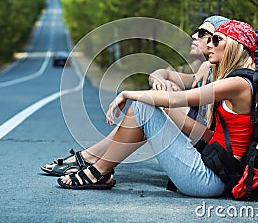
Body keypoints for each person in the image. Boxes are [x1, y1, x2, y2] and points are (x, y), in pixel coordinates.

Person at [57, 20, 257, 197]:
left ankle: (100, 170)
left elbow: (178, 98)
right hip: (212, 170)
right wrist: (161, 97)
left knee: (143, 106)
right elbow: (209, 136)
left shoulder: (237, 84)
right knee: (144, 107)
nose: (210, 45)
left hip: (209, 179)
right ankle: (100, 168)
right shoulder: (236, 81)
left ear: (233, 46)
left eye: (216, 40)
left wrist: (127, 94)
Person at [40, 16, 229, 176]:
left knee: (146, 107)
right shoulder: (206, 72)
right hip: (197, 152)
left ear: (221, 41)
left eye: (203, 34)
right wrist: (159, 82)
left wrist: (162, 101)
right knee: (148, 105)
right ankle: (94, 158)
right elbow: (162, 73)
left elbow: (209, 136)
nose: (194, 36)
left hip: (206, 165)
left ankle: (94, 162)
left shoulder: (224, 80)